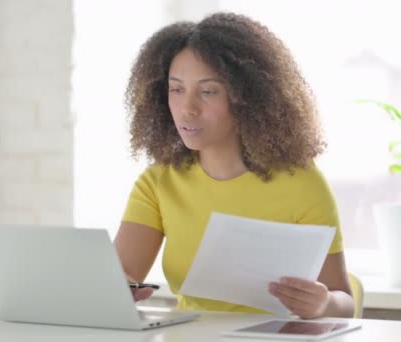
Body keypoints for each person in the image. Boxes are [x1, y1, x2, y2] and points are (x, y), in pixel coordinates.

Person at [114, 12, 354, 319]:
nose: (188, 109)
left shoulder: (300, 182)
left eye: (208, 91)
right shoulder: (158, 181)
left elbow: (344, 302)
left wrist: (325, 304)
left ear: (247, 98)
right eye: (176, 89)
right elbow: (121, 277)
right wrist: (118, 288)